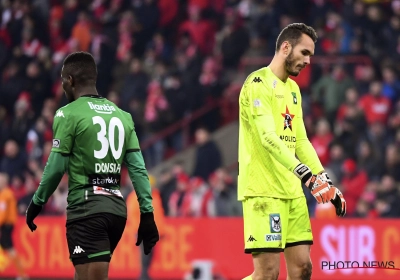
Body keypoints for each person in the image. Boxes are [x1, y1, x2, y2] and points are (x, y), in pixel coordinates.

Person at [25, 52, 159, 280]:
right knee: (82, 274)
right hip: (116, 211)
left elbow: (56, 168)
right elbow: (137, 169)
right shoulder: (123, 116)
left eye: (62, 80)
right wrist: (147, 214)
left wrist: (37, 202)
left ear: (70, 80)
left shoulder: (68, 114)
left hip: (87, 210)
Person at [237, 23, 347, 280]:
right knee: (267, 274)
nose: (309, 60)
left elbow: (300, 141)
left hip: (292, 193)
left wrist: (325, 181)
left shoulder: (293, 90)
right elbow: (267, 138)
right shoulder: (257, 84)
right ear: (286, 47)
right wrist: (307, 176)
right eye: (305, 52)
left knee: (302, 269)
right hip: (263, 191)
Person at [126, 174, 166, 280]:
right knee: (145, 256)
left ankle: (145, 275)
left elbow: (158, 216)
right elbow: (133, 216)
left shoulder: (154, 196)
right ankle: (143, 276)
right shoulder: (135, 197)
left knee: (150, 256)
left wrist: (160, 231)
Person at [0, 172, 28, 280]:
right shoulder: (5, 193)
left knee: (10, 249)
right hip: (7, 224)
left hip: (6, 225)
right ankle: (22, 274)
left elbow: (2, 214)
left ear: (4, 182)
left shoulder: (6, 194)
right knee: (8, 249)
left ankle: (22, 274)